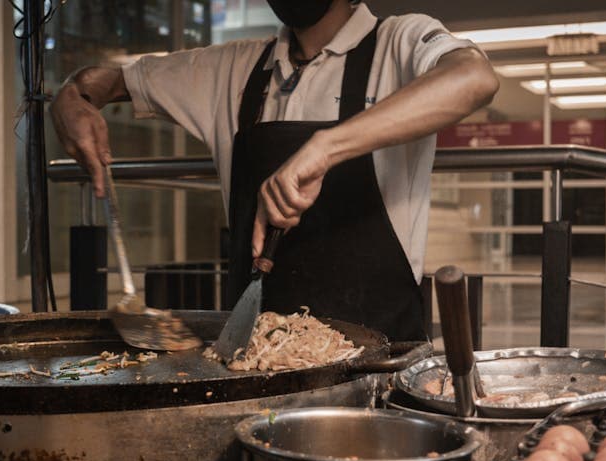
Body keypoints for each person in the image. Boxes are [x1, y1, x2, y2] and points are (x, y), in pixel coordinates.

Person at [50, 0, 498, 342]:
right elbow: (102, 82)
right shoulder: (233, 68)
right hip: (258, 360)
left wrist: (325, 147)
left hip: (380, 359)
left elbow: (474, 78)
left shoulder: (399, 41)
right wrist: (70, 98)